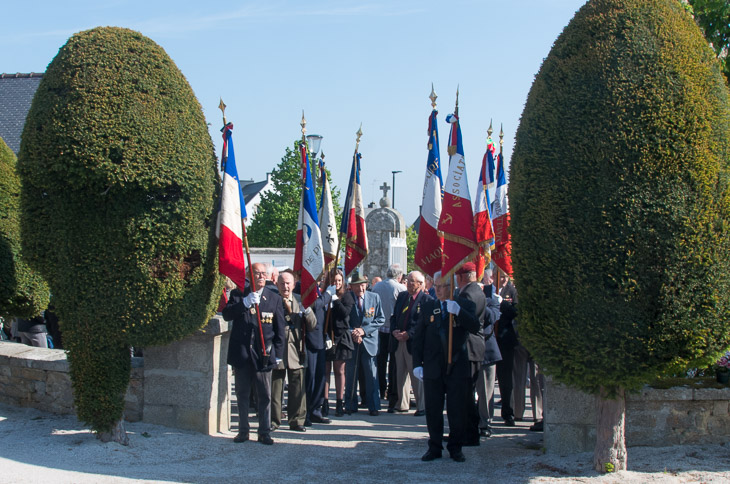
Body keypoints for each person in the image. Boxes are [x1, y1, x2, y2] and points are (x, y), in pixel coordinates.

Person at [412, 270, 481, 463]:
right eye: (436, 285)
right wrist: (417, 364)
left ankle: (455, 447)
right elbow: (418, 339)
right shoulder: (428, 307)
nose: (439, 289)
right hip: (433, 366)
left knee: (456, 409)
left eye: (443, 286)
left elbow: (475, 327)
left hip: (457, 366)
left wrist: (459, 311)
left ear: (452, 287)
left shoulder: (465, 304)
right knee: (433, 409)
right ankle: (434, 446)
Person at [223, 262, 285, 445]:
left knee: (265, 395)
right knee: (242, 394)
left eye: (263, 274)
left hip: (263, 354)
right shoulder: (238, 294)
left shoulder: (274, 299)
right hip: (242, 353)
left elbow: (279, 329)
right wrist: (244, 303)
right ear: (249, 275)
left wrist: (278, 353)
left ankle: (264, 431)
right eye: (257, 273)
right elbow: (227, 315)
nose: (261, 277)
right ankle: (243, 431)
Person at [271, 270, 316, 432]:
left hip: (297, 351)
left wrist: (308, 311)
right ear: (277, 284)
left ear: (294, 284)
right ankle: (274, 421)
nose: (285, 286)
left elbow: (312, 325)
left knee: (298, 388)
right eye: (282, 283)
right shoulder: (272, 300)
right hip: (278, 350)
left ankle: (297, 421)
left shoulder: (299, 301)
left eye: (288, 283)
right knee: (276, 389)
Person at [453, 262, 488, 446]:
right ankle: (468, 433)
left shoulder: (467, 294)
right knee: (468, 393)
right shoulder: (479, 291)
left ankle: (469, 435)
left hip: (469, 347)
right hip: (475, 347)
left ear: (462, 277)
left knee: (466, 395)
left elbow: (469, 321)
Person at [389, 270, 431, 415]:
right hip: (399, 340)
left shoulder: (426, 300)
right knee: (400, 374)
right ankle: (402, 404)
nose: (408, 283)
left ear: (420, 284)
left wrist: (409, 334)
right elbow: (394, 316)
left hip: (414, 343)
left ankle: (421, 406)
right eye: (407, 280)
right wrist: (394, 330)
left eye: (412, 281)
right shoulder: (402, 296)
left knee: (416, 376)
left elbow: (422, 322)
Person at [344, 270, 385, 416]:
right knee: (351, 376)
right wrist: (353, 332)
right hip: (352, 342)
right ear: (351, 286)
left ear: (366, 285)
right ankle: (349, 404)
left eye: (363, 285)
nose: (360, 289)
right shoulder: (347, 298)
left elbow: (380, 319)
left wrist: (364, 331)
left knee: (371, 376)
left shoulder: (374, 297)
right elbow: (343, 321)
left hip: (369, 342)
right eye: (357, 286)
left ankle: (374, 406)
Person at [371, 264, 406, 409]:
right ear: (399, 276)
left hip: (379, 328)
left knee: (380, 360)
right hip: (393, 329)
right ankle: (391, 390)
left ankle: (380, 388)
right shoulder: (400, 289)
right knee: (393, 363)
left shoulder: (377, 287)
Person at [322, 269, 354, 417]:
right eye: (334, 281)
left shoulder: (346, 296)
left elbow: (344, 313)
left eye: (339, 281)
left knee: (340, 370)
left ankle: (339, 402)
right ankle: (325, 402)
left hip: (341, 337)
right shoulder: (324, 294)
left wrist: (335, 299)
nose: (337, 283)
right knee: (326, 371)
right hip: (327, 336)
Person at [478, 267, 502, 437]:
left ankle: (485, 423)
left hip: (487, 351)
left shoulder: (492, 301)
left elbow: (491, 318)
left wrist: (480, 300)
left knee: (486, 391)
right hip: (468, 351)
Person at [305, 277, 332, 426]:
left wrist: (326, 335)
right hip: (309, 339)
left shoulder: (316, 288)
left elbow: (321, 315)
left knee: (321, 376)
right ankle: (306, 412)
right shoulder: (304, 286)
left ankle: (316, 410)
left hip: (320, 337)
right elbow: (314, 305)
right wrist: (327, 295)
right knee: (310, 378)